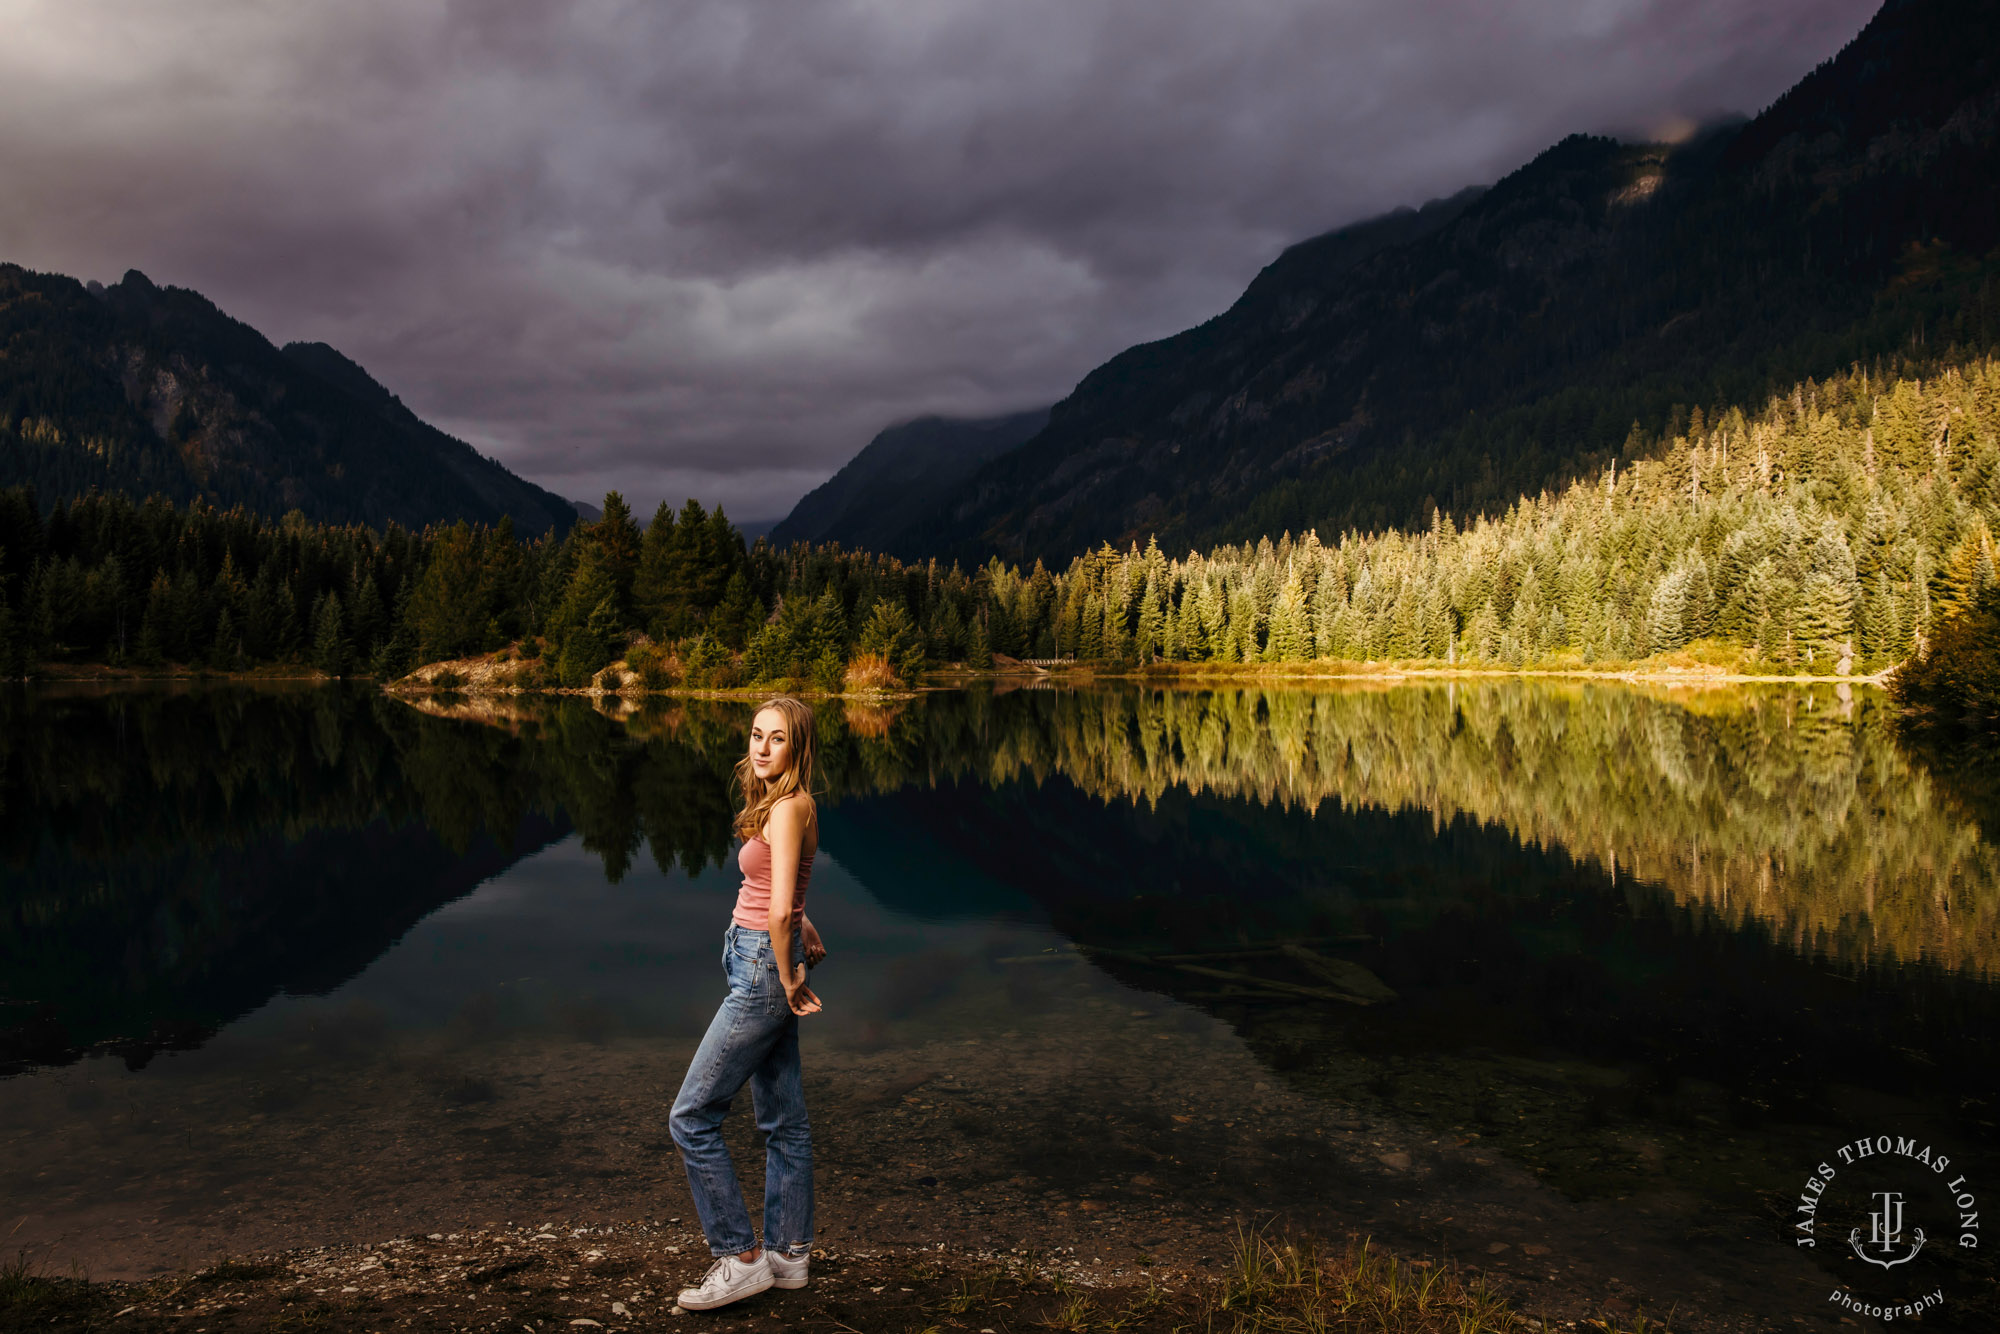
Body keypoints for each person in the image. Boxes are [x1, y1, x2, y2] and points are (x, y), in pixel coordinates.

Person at [669, 696, 828, 1312]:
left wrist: (788, 978)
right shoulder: (789, 804)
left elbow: (779, 906)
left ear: (798, 747)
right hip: (763, 958)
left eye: (777, 738)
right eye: (757, 735)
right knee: (783, 1119)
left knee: (691, 1116)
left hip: (764, 968)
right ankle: (789, 1256)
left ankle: (739, 1257)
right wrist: (801, 924)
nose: (762, 747)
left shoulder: (789, 808)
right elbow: (783, 888)